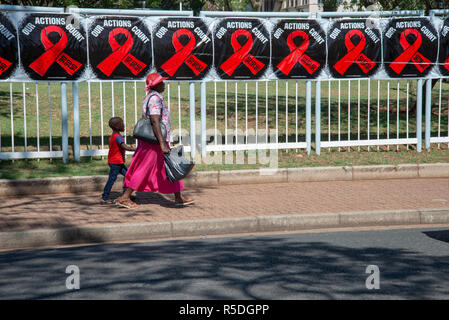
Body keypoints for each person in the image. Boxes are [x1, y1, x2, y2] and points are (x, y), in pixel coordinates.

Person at [116, 72, 194, 209]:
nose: (164, 84)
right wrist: (162, 142)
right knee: (144, 168)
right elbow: (154, 120)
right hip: (155, 142)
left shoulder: (152, 97)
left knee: (168, 166)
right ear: (157, 85)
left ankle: (178, 197)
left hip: (156, 140)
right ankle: (125, 197)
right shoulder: (154, 99)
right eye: (161, 82)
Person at [101, 117, 136, 204]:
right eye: (121, 123)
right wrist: (136, 149)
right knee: (112, 179)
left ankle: (125, 195)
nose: (123, 125)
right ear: (117, 127)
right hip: (115, 162)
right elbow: (124, 146)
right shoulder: (117, 137)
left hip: (117, 162)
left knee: (128, 175)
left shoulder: (114, 135)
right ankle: (105, 197)